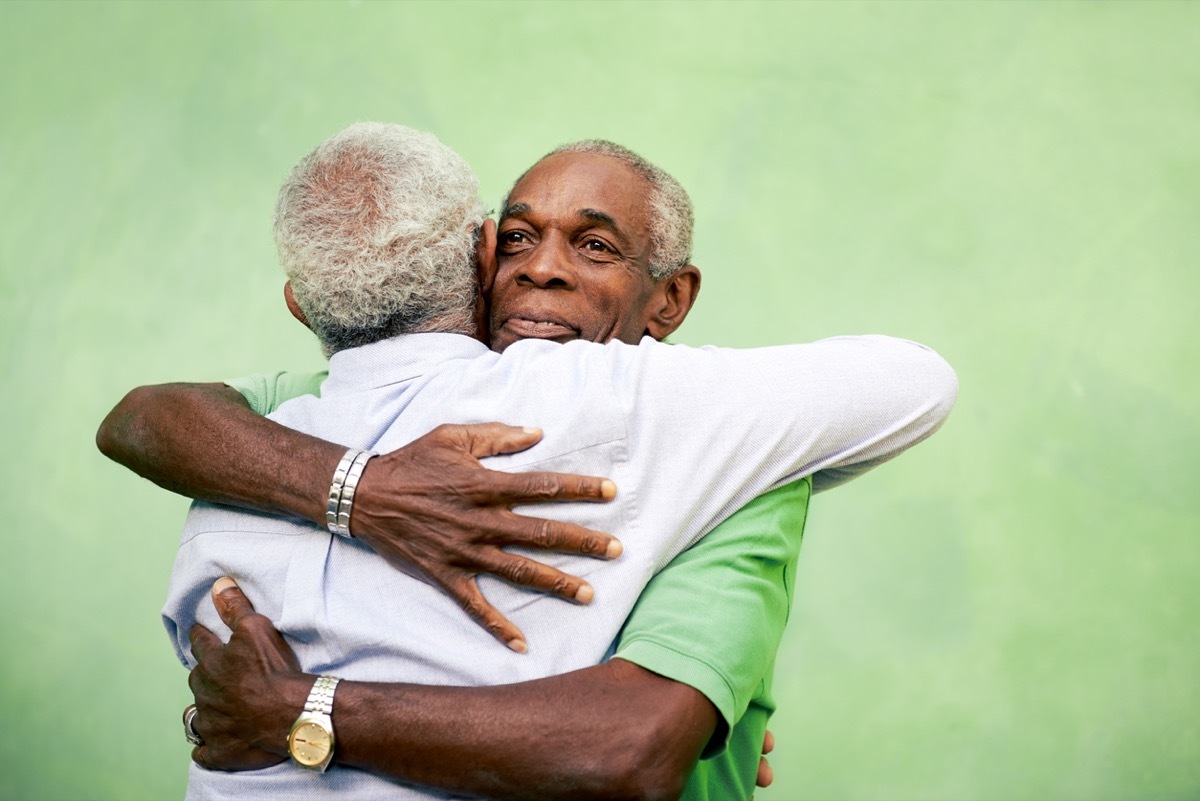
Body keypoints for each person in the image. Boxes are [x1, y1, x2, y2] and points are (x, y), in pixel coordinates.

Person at [100, 124, 957, 800]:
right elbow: (148, 417)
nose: (541, 269)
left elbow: (630, 747)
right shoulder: (308, 413)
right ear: (477, 258)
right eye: (518, 237)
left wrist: (297, 710)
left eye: (594, 246)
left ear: (671, 298)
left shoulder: (724, 452)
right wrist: (362, 488)